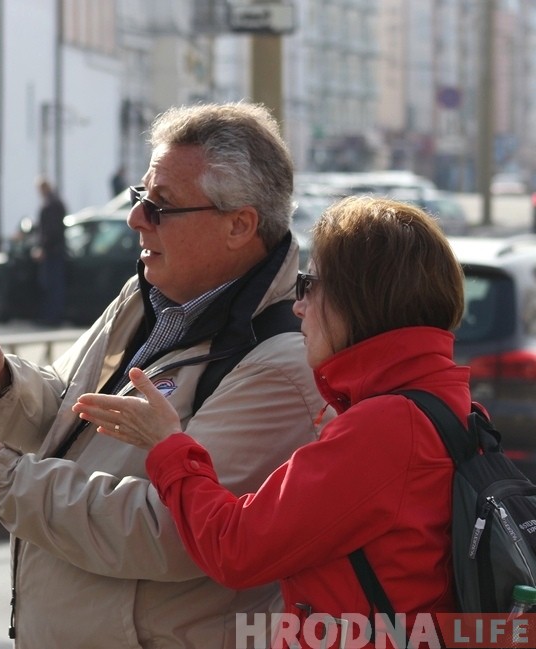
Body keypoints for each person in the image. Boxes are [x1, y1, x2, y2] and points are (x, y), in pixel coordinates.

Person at [0, 102, 327, 647]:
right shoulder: (146, 295)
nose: (136, 219)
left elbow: (170, 532)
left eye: (161, 207)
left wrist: (0, 476)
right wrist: (2, 385)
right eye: (140, 198)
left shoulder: (282, 364)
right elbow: (68, 414)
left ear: (239, 225)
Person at [75, 196, 463, 647]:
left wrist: (169, 446)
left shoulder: (387, 426)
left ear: (360, 299)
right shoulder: (442, 403)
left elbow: (237, 549)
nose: (299, 307)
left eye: (310, 286)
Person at [33, 176, 67, 325]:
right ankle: (52, 316)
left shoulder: (51, 204)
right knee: (52, 285)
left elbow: (51, 231)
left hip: (53, 252)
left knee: (52, 285)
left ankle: (52, 318)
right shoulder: (54, 202)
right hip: (55, 250)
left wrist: (43, 249)